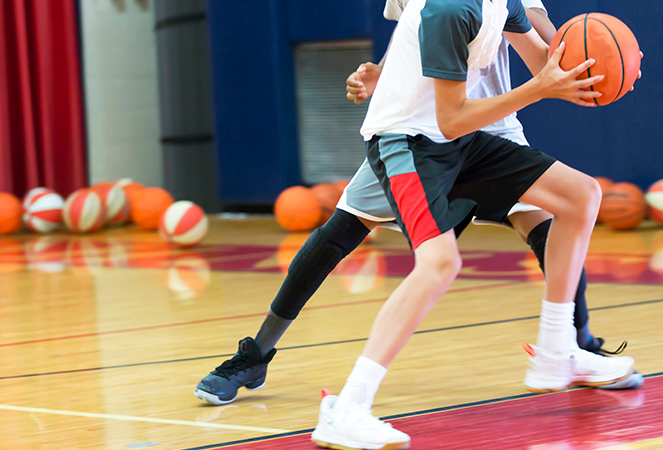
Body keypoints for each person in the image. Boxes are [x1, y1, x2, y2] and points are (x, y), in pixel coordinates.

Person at [193, 0, 641, 411]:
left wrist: (600, 62)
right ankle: (257, 354)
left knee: (559, 215)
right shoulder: (444, 9)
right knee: (343, 232)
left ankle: (569, 346)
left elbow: (550, 44)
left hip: (494, 125)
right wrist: (381, 73)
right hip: (416, 131)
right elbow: (415, 35)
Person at [308, 0, 641, 447]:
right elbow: (452, 117)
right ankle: (346, 408)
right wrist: (539, 88)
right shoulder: (448, 9)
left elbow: (546, 64)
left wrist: (603, 70)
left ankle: (556, 349)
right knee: (439, 264)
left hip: (460, 139)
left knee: (582, 196)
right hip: (408, 141)